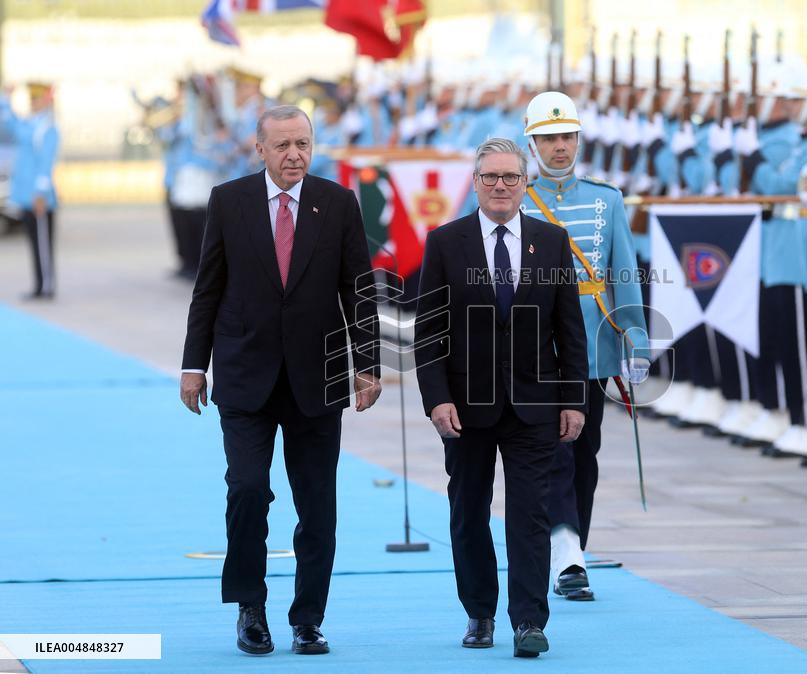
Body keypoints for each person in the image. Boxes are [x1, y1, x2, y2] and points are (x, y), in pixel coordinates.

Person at [179, 105, 381, 656]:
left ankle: (308, 618)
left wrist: (366, 364)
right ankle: (250, 608)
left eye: (304, 144)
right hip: (245, 377)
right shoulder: (229, 201)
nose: (295, 154)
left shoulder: (336, 203)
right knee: (247, 490)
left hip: (317, 379)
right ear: (260, 149)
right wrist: (194, 364)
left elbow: (358, 290)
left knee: (317, 505)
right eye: (284, 145)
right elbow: (208, 288)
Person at [414, 137, 588, 658]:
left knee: (530, 514)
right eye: (490, 177)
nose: (500, 186)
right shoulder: (446, 242)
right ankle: (480, 613)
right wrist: (436, 398)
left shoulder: (552, 242)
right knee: (468, 511)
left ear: (524, 183)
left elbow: (569, 327)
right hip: (466, 406)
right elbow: (429, 331)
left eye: (510, 177)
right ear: (475, 183)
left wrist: (574, 400)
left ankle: (529, 620)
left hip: (536, 404)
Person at [520, 91, 649, 602]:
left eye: (567, 137)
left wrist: (635, 335)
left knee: (586, 449)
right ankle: (567, 549)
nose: (559, 147)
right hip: (534, 340)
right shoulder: (519, 196)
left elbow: (623, 273)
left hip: (594, 341)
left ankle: (571, 548)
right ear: (533, 143)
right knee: (556, 449)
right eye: (549, 138)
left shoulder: (606, 199)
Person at [0, 82, 59, 300]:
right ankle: (39, 285)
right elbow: (7, 125)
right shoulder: (29, 124)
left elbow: (46, 163)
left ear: (45, 101)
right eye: (31, 100)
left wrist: (41, 193)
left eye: (36, 99)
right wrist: (6, 98)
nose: (32, 103)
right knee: (34, 243)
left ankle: (47, 286)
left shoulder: (47, 127)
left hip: (38, 197)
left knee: (43, 244)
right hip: (25, 195)